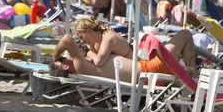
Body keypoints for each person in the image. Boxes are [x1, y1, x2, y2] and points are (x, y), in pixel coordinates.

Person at [52, 18, 197, 81]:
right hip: (152, 70)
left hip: (149, 73)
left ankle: (186, 72)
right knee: (185, 34)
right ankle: (192, 73)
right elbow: (66, 40)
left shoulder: (88, 62)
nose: (69, 56)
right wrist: (55, 57)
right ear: (65, 65)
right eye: (66, 58)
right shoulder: (82, 65)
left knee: (183, 39)